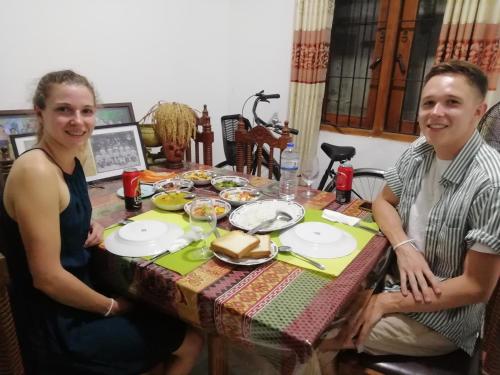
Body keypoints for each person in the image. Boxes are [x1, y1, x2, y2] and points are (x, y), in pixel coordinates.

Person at [0, 70, 203, 374]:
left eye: (86, 111)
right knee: (191, 338)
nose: (77, 121)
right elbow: (47, 278)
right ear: (40, 112)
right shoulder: (36, 171)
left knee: (164, 313)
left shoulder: (69, 160)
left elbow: (63, 215)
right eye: (64, 110)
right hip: (55, 324)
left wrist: (87, 227)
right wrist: (111, 307)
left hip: (76, 295)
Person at [322, 61, 500, 374]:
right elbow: (383, 202)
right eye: (428, 103)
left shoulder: (490, 182)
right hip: (389, 282)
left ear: (478, 111)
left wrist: (389, 303)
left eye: (452, 103)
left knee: (315, 337)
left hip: (441, 318)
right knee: (314, 306)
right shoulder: (420, 149)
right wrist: (404, 247)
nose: (436, 113)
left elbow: (476, 287)